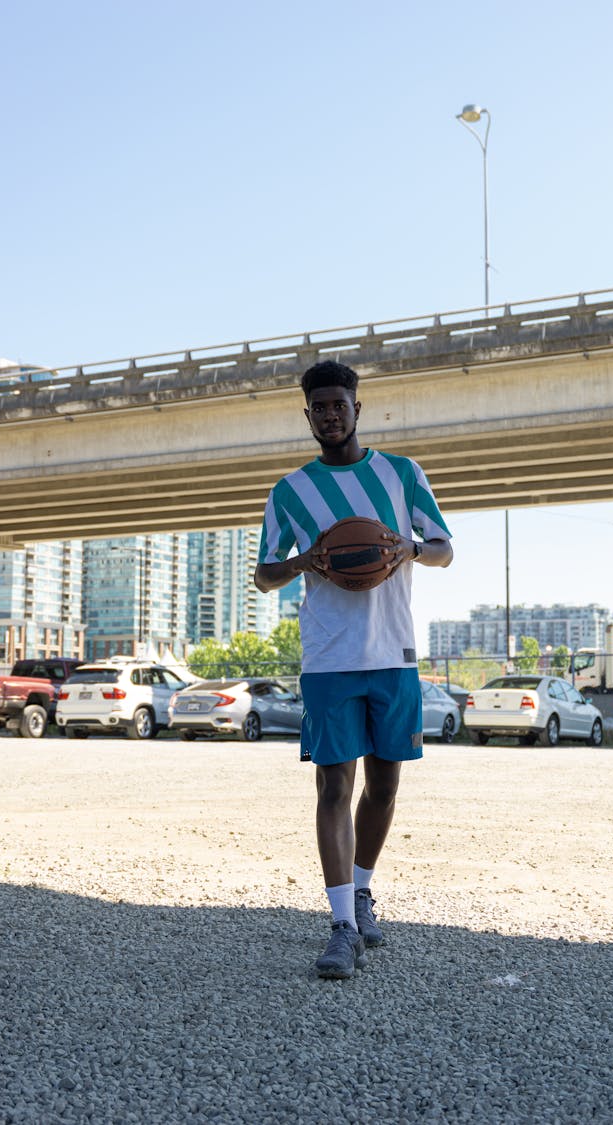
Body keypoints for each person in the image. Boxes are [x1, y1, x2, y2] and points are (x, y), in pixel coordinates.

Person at [254, 359, 453, 979]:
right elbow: (264, 574)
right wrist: (306, 560)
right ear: (307, 414)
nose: (329, 415)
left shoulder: (401, 473)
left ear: (356, 409)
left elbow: (445, 548)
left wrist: (411, 548)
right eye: (319, 407)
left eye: (339, 404)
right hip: (330, 658)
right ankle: (341, 926)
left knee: (385, 786)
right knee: (333, 787)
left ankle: (362, 891)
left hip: (393, 653)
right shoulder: (290, 491)